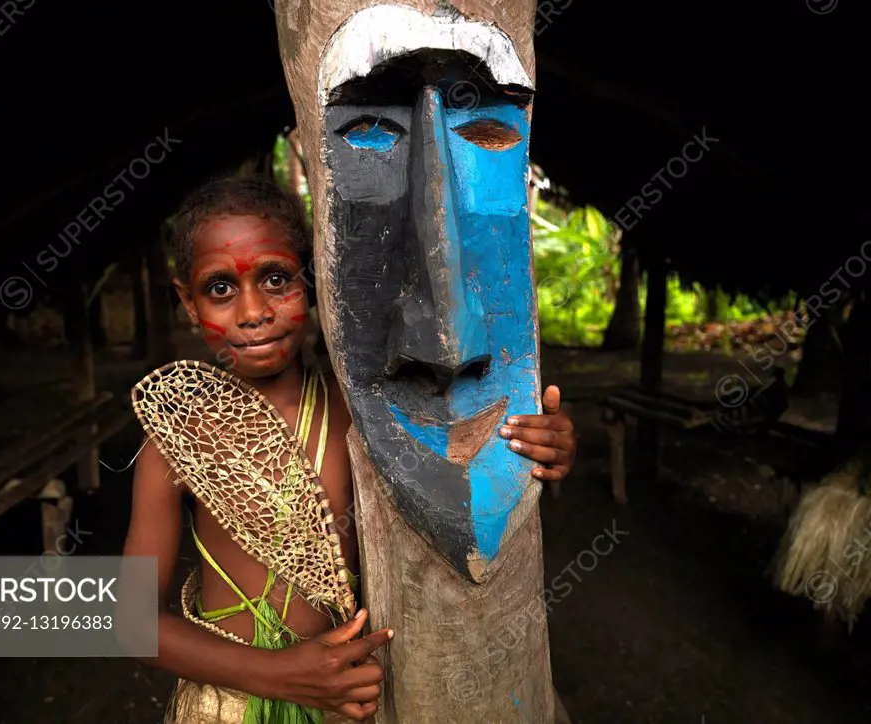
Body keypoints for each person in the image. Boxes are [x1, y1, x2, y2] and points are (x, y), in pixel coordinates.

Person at [118, 175, 577, 723]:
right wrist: (280, 676)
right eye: (219, 288)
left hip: (353, 702)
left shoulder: (362, 410)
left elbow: (473, 475)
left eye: (275, 279)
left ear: (311, 283)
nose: (252, 312)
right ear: (187, 302)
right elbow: (130, 622)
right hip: (229, 709)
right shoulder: (177, 439)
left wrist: (538, 446)